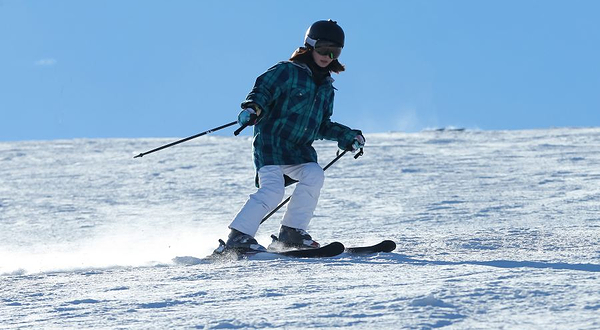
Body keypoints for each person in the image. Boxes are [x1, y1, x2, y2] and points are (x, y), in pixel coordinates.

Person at [225, 19, 365, 252]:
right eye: (322, 49)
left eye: (335, 51)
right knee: (273, 190)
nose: (328, 55)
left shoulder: (327, 87)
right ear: (310, 46)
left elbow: (321, 125)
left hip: (299, 150)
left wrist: (346, 136)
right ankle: (238, 237)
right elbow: (263, 90)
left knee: (314, 173)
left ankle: (291, 232)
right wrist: (253, 108)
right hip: (272, 145)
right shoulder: (287, 71)